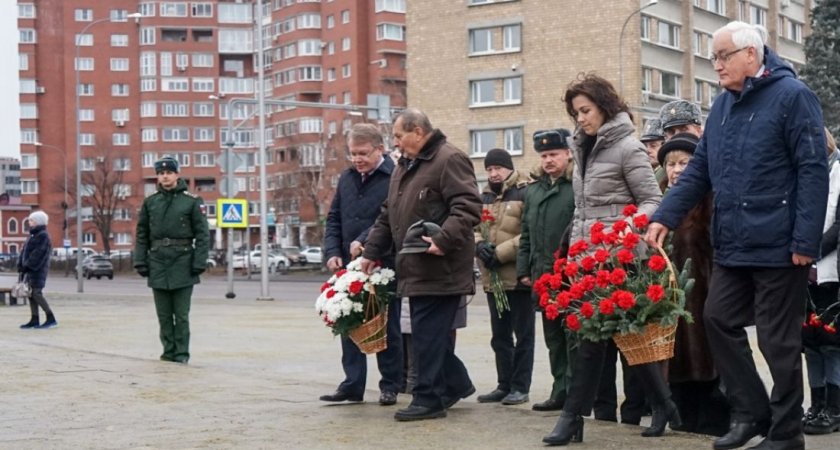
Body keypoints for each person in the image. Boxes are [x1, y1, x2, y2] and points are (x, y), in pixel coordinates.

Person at [645, 22, 828, 450]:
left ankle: (786, 434)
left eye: (723, 56)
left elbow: (813, 171)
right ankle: (752, 412)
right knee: (717, 319)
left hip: (781, 246)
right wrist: (664, 216)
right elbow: (699, 172)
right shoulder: (723, 107)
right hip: (734, 243)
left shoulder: (793, 97)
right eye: (713, 57)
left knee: (776, 340)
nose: (716, 65)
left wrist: (805, 241)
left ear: (752, 54)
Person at [543, 73, 674, 446]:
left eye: (585, 110)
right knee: (622, 336)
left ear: (604, 105)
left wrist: (620, 231)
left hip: (618, 257)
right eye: (575, 113)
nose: (580, 118)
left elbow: (652, 201)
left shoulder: (628, 147)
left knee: (592, 340)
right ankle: (664, 404)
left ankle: (572, 417)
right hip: (587, 258)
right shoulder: (585, 146)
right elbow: (584, 208)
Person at [358, 108, 481, 422]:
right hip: (414, 265)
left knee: (427, 335)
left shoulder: (448, 159)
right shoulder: (406, 166)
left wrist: (444, 240)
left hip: (441, 265)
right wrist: (371, 252)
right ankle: (455, 384)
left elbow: (467, 207)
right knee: (430, 334)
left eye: (398, 135)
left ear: (417, 131)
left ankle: (429, 400)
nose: (395, 143)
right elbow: (388, 214)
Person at [320, 123, 403, 406]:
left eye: (363, 153)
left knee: (386, 326)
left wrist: (365, 241)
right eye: (352, 153)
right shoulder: (346, 178)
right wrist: (332, 250)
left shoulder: (394, 176)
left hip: (383, 263)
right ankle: (352, 384)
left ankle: (390, 385)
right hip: (348, 264)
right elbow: (334, 218)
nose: (357, 159)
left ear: (380, 149)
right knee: (348, 320)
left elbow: (392, 217)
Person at [657, 133, 731, 436]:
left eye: (684, 162)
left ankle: (716, 421)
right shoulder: (661, 202)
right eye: (671, 164)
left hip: (704, 294)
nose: (676, 170)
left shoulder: (709, 201)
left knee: (707, 358)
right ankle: (684, 419)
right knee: (677, 362)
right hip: (668, 299)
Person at [516, 129, 575, 412]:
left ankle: (577, 393)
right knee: (553, 338)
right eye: (544, 155)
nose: (549, 160)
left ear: (568, 153)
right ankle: (559, 390)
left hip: (572, 275)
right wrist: (523, 269)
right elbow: (526, 233)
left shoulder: (576, 185)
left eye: (554, 154)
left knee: (574, 337)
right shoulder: (534, 189)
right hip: (543, 275)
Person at [134, 156, 210, 364]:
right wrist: (140, 260)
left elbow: (203, 235)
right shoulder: (151, 203)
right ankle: (168, 353)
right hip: (158, 261)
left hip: (183, 261)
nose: (165, 176)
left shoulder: (192, 201)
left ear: (177, 174)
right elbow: (142, 234)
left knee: (181, 315)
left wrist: (199, 262)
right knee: (164, 315)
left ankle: (181, 354)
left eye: (168, 172)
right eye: (161, 173)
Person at [474, 148, 534, 406]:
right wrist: (478, 246)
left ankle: (520, 387)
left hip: (518, 277)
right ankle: (504, 384)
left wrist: (499, 252)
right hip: (493, 278)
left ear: (508, 167)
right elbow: (474, 227)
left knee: (523, 335)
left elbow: (530, 232)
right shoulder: (485, 195)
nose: (493, 173)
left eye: (498, 168)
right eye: (489, 169)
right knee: (499, 336)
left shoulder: (524, 191)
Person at [802, 128, 840, 435]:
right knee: (811, 343)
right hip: (804, 274)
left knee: (833, 344)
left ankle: (835, 408)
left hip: (832, 274)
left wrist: (808, 250)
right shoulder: (801, 174)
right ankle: (816, 404)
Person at [18, 211, 57, 329]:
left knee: (36, 293)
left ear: (38, 222)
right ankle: (34, 319)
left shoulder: (43, 236)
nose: (29, 222)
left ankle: (50, 318)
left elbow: (38, 254)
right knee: (31, 294)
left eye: (32, 220)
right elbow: (24, 252)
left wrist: (28, 265)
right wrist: (20, 264)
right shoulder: (32, 235)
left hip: (37, 270)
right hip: (29, 270)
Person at [640, 118, 667, 190]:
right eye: (645, 146)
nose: (647, 150)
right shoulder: (640, 171)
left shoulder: (668, 174)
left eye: (653, 146)